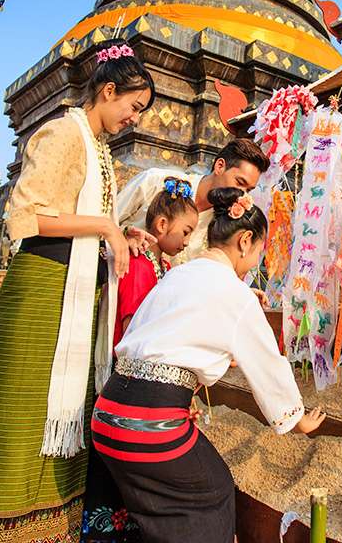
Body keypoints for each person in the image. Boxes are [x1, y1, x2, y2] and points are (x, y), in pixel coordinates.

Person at [0, 39, 155, 543]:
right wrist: (104, 227)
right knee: (23, 417)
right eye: (133, 106)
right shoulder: (63, 134)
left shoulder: (100, 151)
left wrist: (120, 230)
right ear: (108, 90)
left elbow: (84, 220)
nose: (135, 117)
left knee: (67, 411)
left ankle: (52, 527)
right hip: (43, 289)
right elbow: (23, 217)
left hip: (75, 292)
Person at [94, 187, 326, 542]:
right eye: (259, 252)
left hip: (108, 411)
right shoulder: (235, 294)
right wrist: (296, 419)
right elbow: (268, 363)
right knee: (212, 491)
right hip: (150, 420)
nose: (256, 263)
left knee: (159, 499)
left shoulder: (178, 274)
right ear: (246, 241)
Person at [115, 138, 269, 264]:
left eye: (248, 190)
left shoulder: (222, 224)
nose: (242, 195)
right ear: (220, 166)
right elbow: (105, 221)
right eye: (240, 183)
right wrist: (124, 236)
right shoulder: (155, 182)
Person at [115, 178, 199, 346]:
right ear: (162, 224)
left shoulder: (165, 266)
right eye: (185, 232)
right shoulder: (138, 263)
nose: (187, 242)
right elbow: (131, 327)